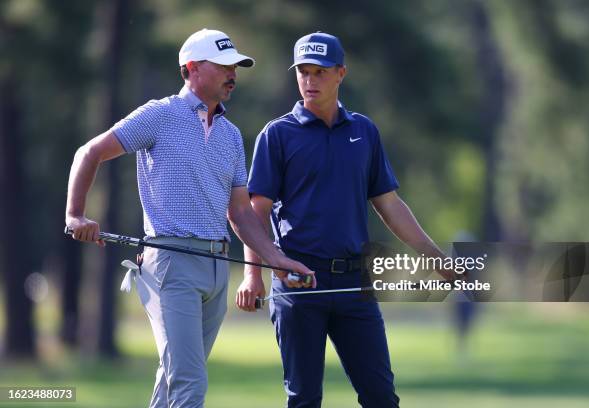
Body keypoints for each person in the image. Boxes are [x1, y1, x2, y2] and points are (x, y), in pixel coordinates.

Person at [65, 28, 314, 408]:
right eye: (224, 66)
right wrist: (76, 214)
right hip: (171, 265)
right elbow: (89, 152)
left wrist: (274, 260)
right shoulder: (160, 115)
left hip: (215, 269)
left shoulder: (231, 135)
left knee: (172, 381)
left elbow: (241, 214)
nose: (233, 74)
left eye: (236, 67)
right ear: (193, 68)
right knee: (190, 383)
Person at [236, 32, 457, 408]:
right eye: (303, 72)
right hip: (299, 283)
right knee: (304, 399)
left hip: (355, 284)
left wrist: (433, 257)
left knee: (381, 397)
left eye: (319, 72)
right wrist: (253, 274)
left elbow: (389, 204)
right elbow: (254, 213)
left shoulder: (364, 132)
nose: (310, 81)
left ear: (341, 73)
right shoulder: (277, 135)